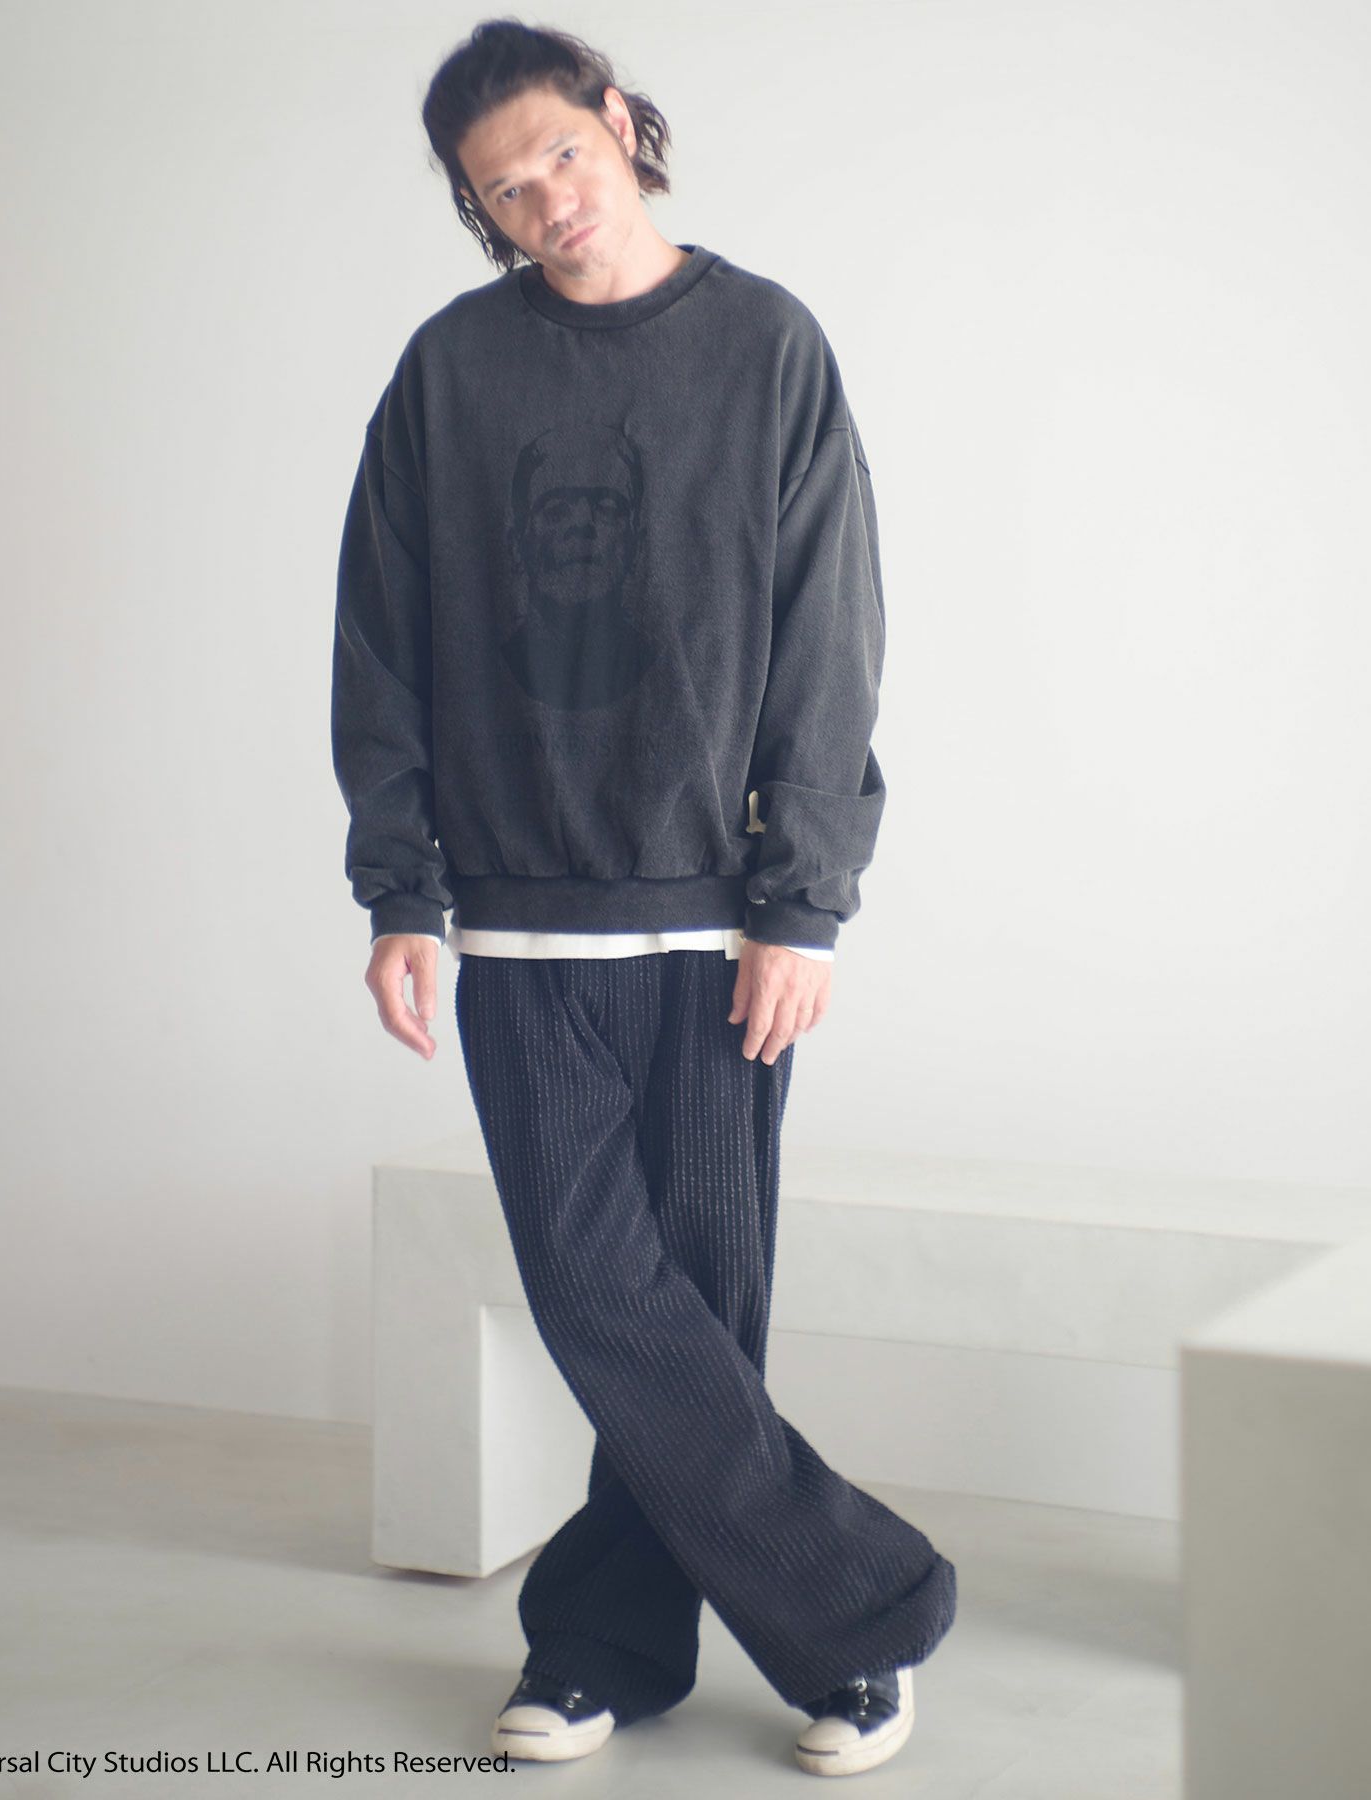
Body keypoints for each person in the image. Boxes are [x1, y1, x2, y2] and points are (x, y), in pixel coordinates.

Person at [330, 18, 957, 1778]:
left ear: (618, 124)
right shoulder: (451, 372)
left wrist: (804, 905)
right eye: (501, 191)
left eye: (559, 155)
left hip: (717, 930)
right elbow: (379, 638)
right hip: (521, 928)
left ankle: (609, 1644)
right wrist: (399, 892)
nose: (544, 201)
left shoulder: (767, 346)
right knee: (606, 1300)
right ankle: (862, 1615)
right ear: (478, 212)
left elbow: (832, 632)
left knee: (700, 1314)